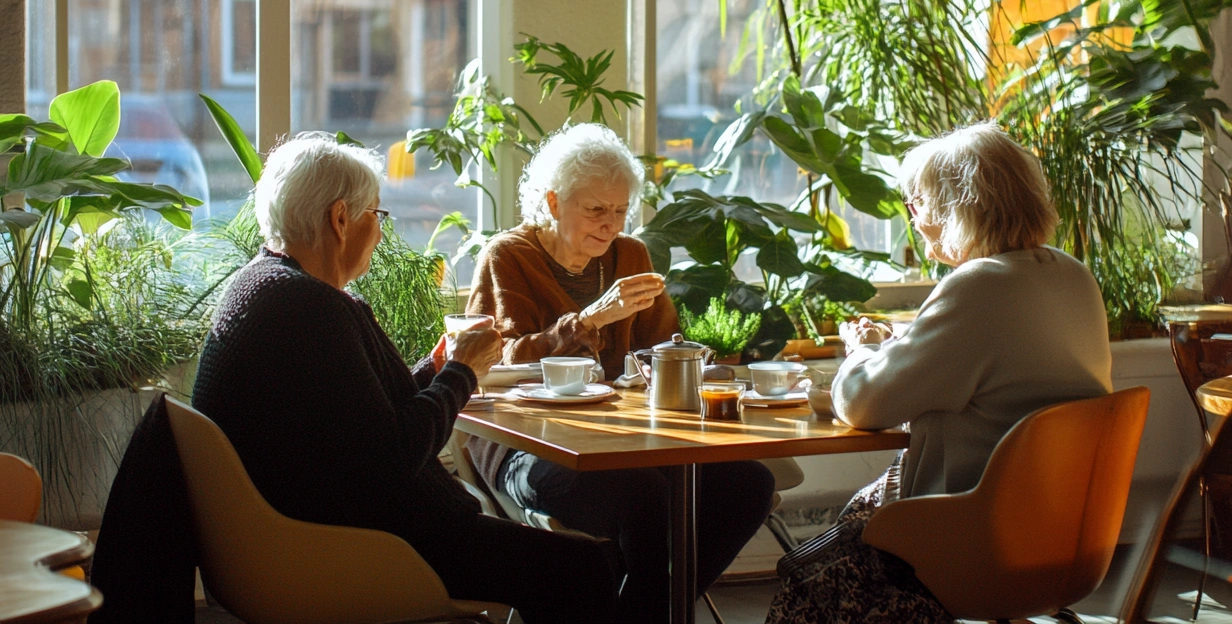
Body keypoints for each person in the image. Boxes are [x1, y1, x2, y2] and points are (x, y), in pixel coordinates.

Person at [191, 133, 619, 624]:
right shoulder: (311, 307)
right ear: (339, 219)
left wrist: (435, 371)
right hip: (359, 546)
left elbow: (360, 415)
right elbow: (391, 454)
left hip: (302, 531)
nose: (379, 231)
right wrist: (462, 373)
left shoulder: (264, 285)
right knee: (584, 566)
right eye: (377, 215)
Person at [766, 122, 1113, 624]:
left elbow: (862, 405)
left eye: (918, 203)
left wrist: (862, 350)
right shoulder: (1072, 276)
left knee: (813, 578)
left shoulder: (979, 286)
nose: (915, 218)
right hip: (1063, 533)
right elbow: (988, 371)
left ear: (958, 207)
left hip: (971, 535)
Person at [467, 123, 776, 624]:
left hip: (627, 440)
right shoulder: (508, 257)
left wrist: (696, 362)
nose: (610, 225)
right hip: (530, 448)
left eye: (619, 210)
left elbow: (662, 347)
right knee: (643, 496)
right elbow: (496, 361)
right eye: (595, 210)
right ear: (552, 202)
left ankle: (640, 614)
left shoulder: (630, 254)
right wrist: (589, 320)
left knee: (748, 484)